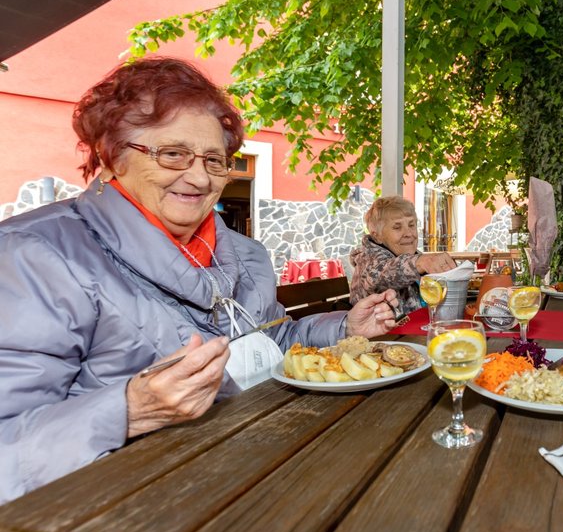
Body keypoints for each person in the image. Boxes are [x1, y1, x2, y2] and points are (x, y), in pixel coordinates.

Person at [0, 57, 400, 504]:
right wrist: (127, 410)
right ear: (112, 155)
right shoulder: (34, 256)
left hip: (268, 471)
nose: (198, 176)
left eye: (215, 159)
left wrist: (343, 328)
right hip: (133, 507)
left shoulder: (245, 254)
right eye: (172, 153)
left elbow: (273, 338)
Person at [349, 195, 457, 312]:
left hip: (413, 328)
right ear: (377, 236)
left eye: (411, 225)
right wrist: (420, 262)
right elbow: (381, 275)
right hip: (382, 330)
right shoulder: (367, 260)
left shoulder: (411, 255)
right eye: (397, 227)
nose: (408, 233)